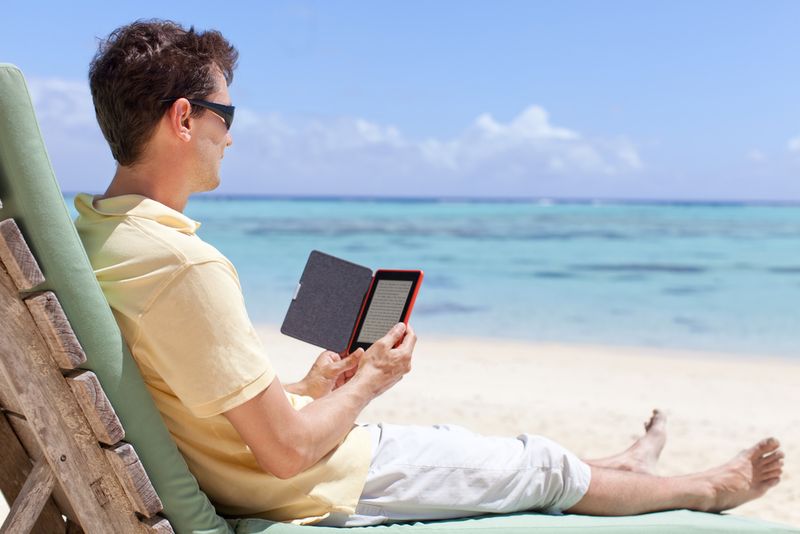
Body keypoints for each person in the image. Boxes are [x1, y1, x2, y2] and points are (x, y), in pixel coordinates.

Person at [74, 19, 784, 526]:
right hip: (307, 485)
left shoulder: (99, 233)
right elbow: (287, 454)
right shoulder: (183, 263)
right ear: (183, 120)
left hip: (261, 465)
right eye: (226, 114)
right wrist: (372, 383)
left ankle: (625, 463)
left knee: (504, 456)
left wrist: (308, 386)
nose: (233, 133)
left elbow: (194, 390)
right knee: (535, 467)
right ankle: (706, 489)